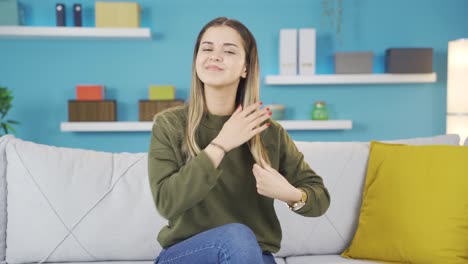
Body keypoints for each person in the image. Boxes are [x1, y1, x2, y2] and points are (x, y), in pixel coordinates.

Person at [148, 17, 331, 264]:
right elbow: (167, 203)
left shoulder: (269, 132)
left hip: (250, 256)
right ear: (196, 60)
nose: (215, 56)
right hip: (186, 255)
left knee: (244, 245)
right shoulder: (169, 125)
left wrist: (290, 194)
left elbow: (319, 198)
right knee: (236, 236)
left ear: (246, 68)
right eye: (207, 48)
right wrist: (221, 144)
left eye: (229, 50)